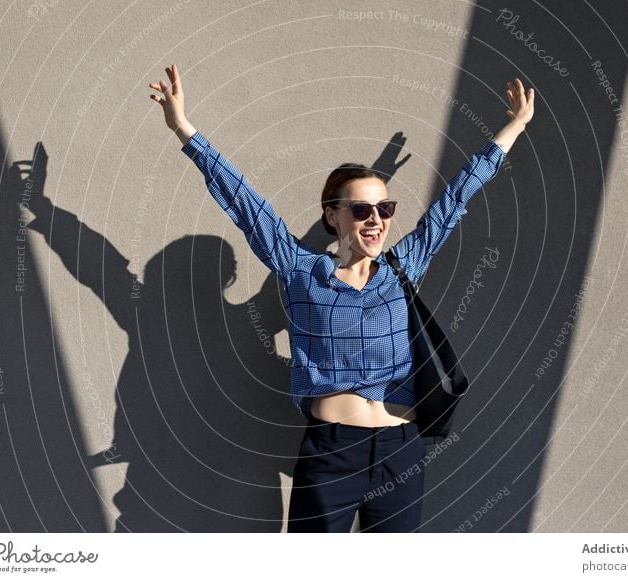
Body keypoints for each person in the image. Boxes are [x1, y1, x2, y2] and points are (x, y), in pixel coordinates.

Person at [150, 64, 534, 532]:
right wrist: (184, 129)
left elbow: (454, 200)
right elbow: (246, 203)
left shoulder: (401, 267)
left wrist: (512, 128)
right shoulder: (300, 271)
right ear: (332, 216)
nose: (376, 219)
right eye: (361, 209)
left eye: (385, 208)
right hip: (331, 452)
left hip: (401, 451)